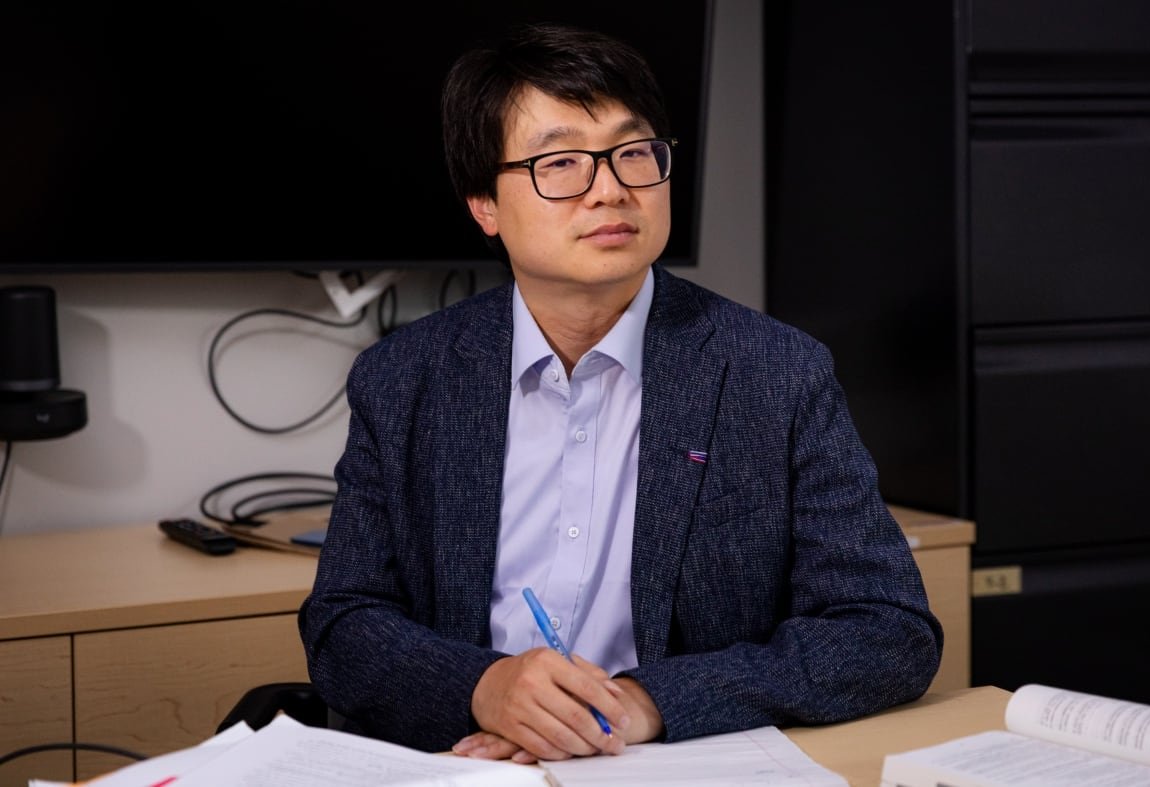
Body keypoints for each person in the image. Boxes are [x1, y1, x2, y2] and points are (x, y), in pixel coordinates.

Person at [298, 21, 941, 764]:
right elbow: (342, 624)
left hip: (670, 764)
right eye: (561, 162)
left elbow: (887, 628)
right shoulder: (404, 377)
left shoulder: (776, 372)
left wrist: (649, 700)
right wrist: (484, 685)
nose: (610, 188)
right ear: (484, 205)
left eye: (634, 153)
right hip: (469, 763)